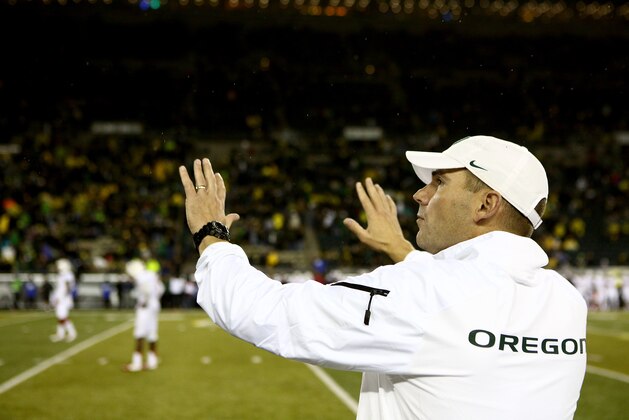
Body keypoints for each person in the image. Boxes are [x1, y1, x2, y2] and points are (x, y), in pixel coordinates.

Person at [179, 135, 587, 420]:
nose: (419, 195)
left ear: (486, 204)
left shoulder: (424, 294)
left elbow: (266, 312)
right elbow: (460, 306)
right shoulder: (566, 302)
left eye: (440, 182)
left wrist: (210, 235)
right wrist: (402, 250)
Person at [124, 258, 164, 372]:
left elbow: (146, 290)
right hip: (154, 307)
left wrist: (145, 301)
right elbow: (161, 289)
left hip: (145, 308)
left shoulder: (141, 277)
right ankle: (152, 361)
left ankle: (136, 363)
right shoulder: (152, 275)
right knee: (152, 333)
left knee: (139, 334)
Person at [49, 258, 78, 343]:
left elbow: (67, 288)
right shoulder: (62, 275)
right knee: (60, 316)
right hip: (61, 298)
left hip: (64, 299)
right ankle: (60, 334)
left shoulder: (68, 275)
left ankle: (72, 333)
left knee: (63, 317)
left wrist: (61, 298)